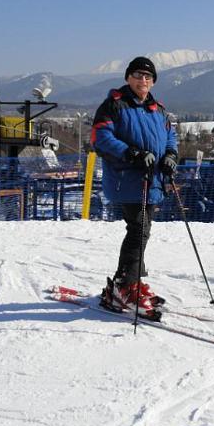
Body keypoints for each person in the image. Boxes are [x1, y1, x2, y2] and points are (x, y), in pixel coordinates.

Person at [90, 56, 178, 319]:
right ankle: (125, 286)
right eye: (138, 75)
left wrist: (171, 155)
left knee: (142, 231)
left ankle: (128, 283)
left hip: (153, 181)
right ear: (128, 77)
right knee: (139, 230)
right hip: (127, 179)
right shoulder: (114, 106)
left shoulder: (157, 109)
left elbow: (170, 134)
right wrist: (132, 154)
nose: (143, 80)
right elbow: (100, 137)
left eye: (148, 77)